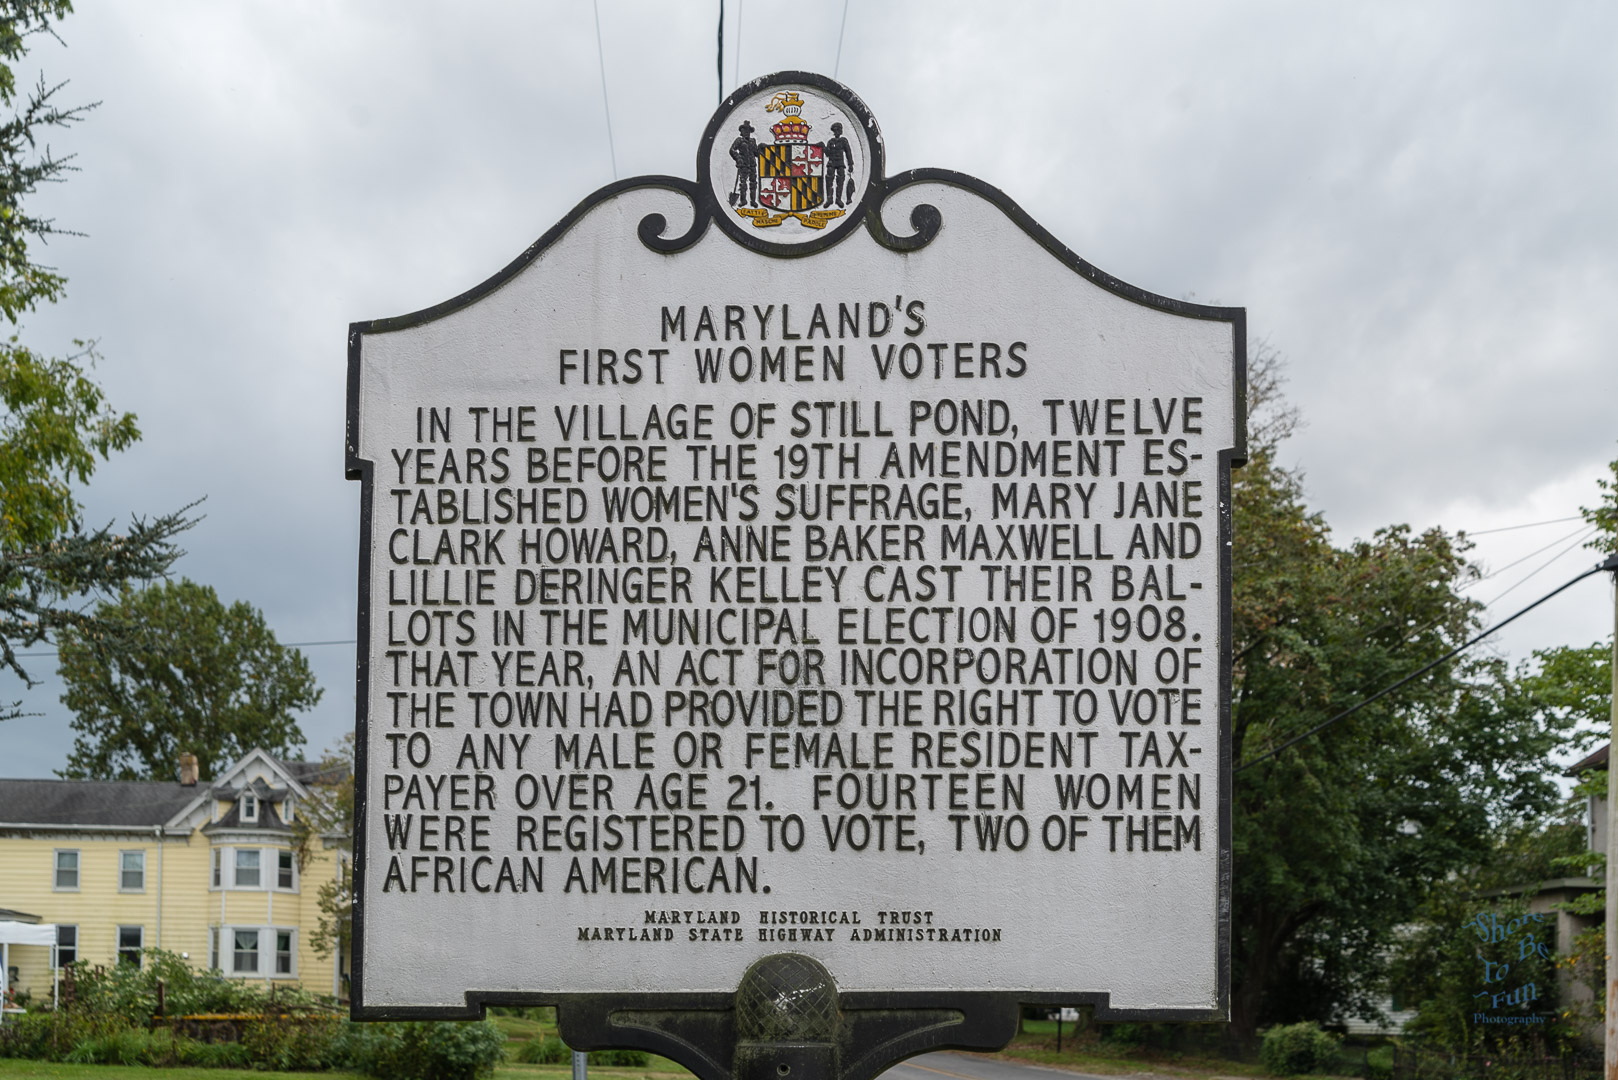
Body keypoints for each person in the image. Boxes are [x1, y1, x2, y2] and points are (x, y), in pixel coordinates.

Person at [824, 122, 854, 208]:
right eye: (836, 130)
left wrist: (850, 164)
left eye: (839, 130)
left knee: (840, 180)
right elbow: (827, 153)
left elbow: (848, 152)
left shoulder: (843, 141)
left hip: (840, 163)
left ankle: (838, 199)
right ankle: (829, 199)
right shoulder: (831, 141)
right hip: (831, 163)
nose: (837, 132)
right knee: (829, 180)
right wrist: (823, 147)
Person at [729, 121, 759, 208]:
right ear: (741, 132)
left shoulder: (753, 141)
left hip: (752, 165)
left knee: (753, 183)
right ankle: (743, 200)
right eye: (744, 130)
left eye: (747, 130)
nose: (746, 132)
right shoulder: (739, 140)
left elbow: (756, 153)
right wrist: (738, 158)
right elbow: (732, 150)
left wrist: (760, 149)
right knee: (743, 183)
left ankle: (753, 201)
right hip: (743, 165)